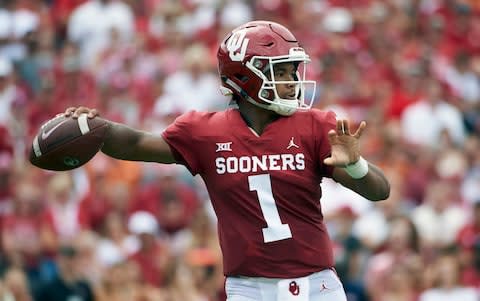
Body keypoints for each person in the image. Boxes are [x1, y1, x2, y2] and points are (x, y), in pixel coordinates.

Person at [62, 20, 390, 301]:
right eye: (283, 70)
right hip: (248, 288)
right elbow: (136, 143)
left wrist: (354, 164)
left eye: (293, 70)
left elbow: (379, 191)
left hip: (317, 285)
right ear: (247, 76)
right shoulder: (205, 132)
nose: (293, 80)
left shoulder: (315, 126)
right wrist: (95, 129)